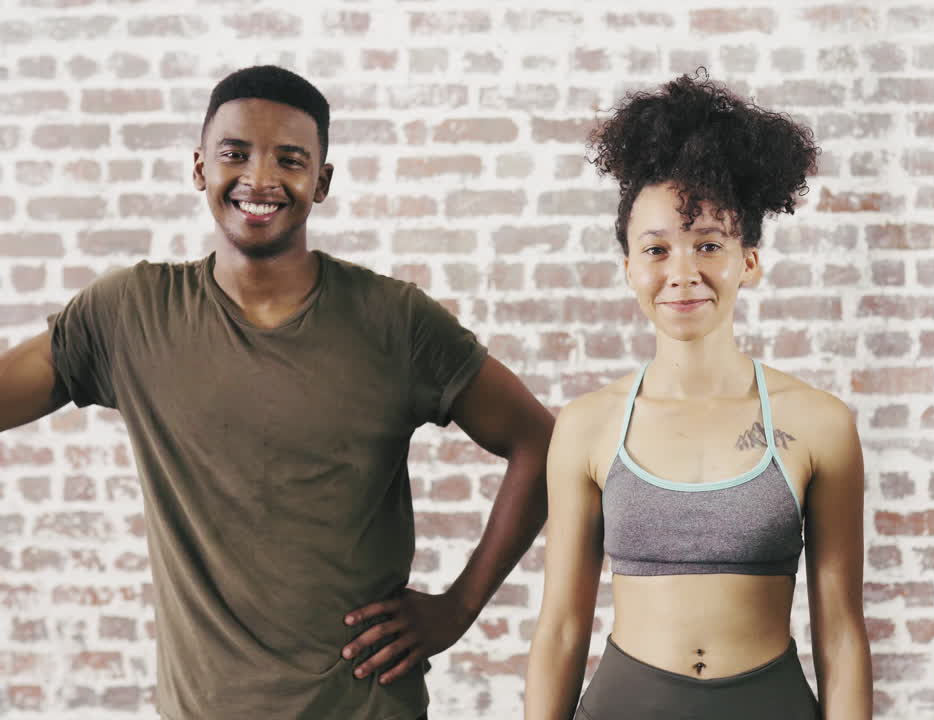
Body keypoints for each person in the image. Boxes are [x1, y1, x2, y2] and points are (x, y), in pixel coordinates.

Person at [0, 65, 554, 720]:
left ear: (321, 182)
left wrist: (459, 607)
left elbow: (542, 442)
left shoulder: (394, 320)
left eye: (289, 160)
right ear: (200, 167)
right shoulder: (128, 314)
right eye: (236, 154)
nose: (260, 179)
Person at [523, 71, 872, 720]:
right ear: (629, 267)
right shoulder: (587, 426)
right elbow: (561, 630)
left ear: (749, 260)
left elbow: (843, 633)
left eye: (708, 244)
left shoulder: (819, 425)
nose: (683, 272)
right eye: (656, 249)